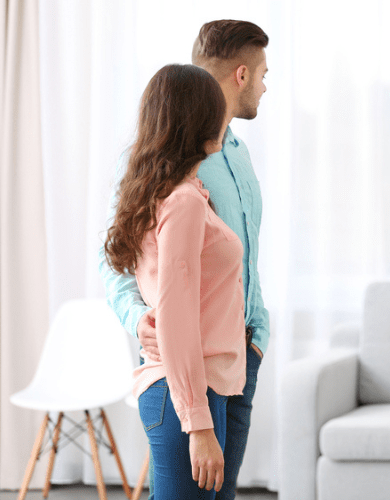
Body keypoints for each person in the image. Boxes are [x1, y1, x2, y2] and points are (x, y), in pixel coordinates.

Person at [99, 20, 270, 500]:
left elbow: (234, 264)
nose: (265, 85)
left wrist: (255, 335)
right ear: (240, 74)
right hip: (187, 373)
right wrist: (141, 321)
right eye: (262, 74)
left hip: (237, 357)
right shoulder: (174, 188)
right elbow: (121, 261)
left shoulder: (234, 159)